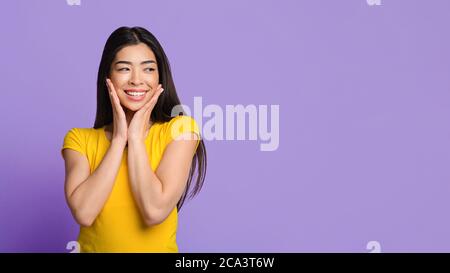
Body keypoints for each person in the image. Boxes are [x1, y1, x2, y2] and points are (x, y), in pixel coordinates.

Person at [61, 26, 207, 252]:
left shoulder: (181, 130)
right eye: (124, 69)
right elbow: (84, 212)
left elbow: (154, 211)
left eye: (148, 69)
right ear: (108, 77)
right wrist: (120, 139)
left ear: (160, 77)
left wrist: (136, 139)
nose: (137, 80)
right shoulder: (79, 140)